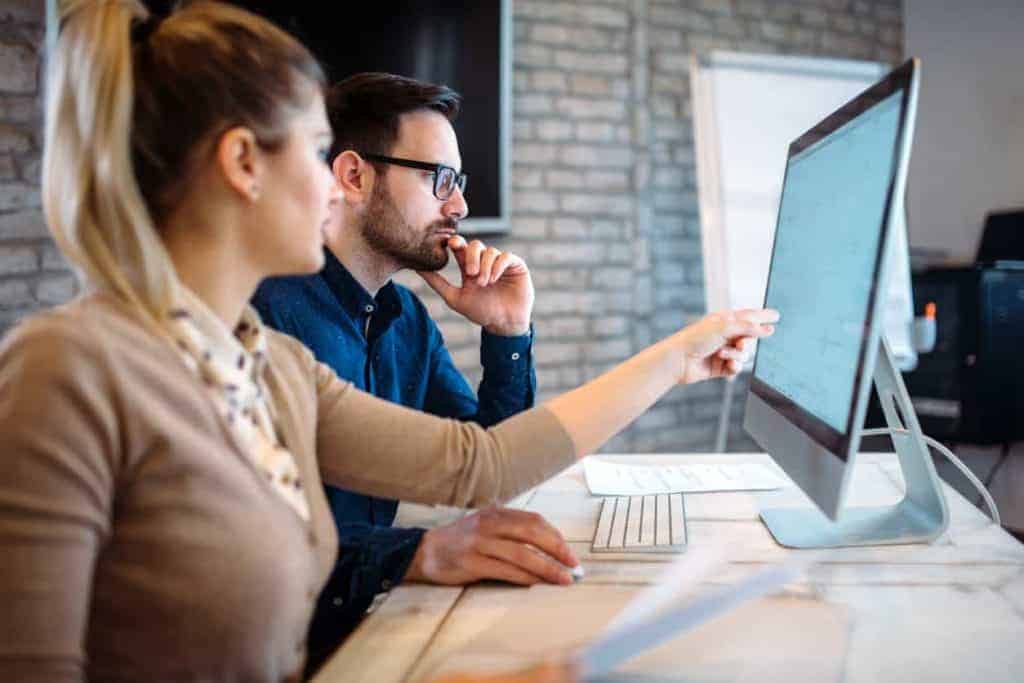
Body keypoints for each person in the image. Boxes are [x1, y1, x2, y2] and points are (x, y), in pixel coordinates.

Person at [0, 1, 777, 681]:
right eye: (313, 151)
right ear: (244, 163)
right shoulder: (68, 369)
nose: (329, 183)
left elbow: (484, 463)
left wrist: (672, 355)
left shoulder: (265, 367)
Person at [252, 72, 569, 668]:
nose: (461, 206)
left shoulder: (406, 320)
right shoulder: (265, 317)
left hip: (374, 621)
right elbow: (261, 542)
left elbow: (492, 467)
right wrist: (415, 554)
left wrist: (508, 332)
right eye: (439, 179)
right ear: (353, 176)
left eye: (460, 181)